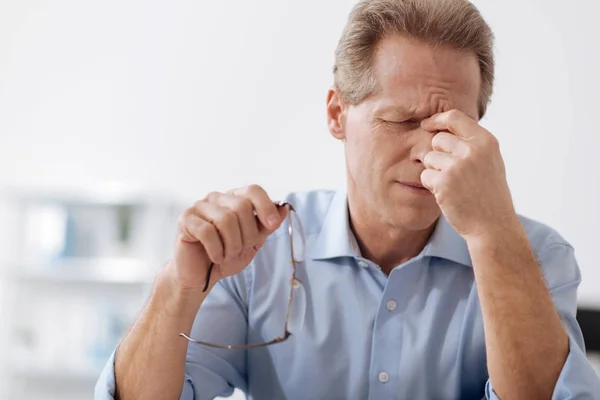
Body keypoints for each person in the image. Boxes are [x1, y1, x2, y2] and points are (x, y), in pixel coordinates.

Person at [95, 0, 600, 399]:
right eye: (401, 121)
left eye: (451, 129)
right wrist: (177, 288)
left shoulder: (536, 257)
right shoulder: (258, 255)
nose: (428, 153)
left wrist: (492, 234)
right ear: (337, 114)